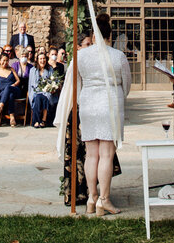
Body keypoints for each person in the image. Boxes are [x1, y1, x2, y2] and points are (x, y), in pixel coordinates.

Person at [56, 14, 131, 216]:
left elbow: (75, 84)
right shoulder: (118, 56)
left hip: (88, 104)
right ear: (110, 35)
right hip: (110, 104)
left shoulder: (82, 56)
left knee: (91, 154)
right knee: (106, 154)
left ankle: (92, 197)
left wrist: (84, 98)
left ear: (93, 35)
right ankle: (104, 200)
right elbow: (127, 85)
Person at [0, 53, 23, 127]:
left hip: (14, 89)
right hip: (4, 93)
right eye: (3, 60)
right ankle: (12, 117)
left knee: (9, 88)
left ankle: (0, 107)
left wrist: (14, 85)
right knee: (10, 95)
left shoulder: (11, 69)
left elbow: (18, 80)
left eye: (7, 61)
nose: (5, 62)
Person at [29, 51, 59, 127]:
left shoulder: (50, 69)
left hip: (47, 92)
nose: (42, 61)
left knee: (45, 97)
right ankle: (39, 120)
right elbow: (32, 84)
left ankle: (42, 120)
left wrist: (51, 88)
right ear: (37, 60)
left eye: (44, 58)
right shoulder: (33, 70)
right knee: (38, 97)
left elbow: (54, 81)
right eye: (40, 59)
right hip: (36, 91)